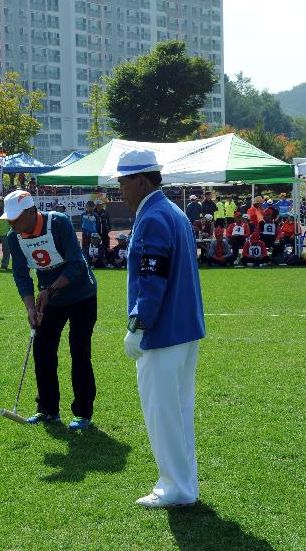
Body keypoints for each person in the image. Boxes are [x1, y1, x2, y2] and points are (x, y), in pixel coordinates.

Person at [115, 149, 205, 508]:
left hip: (162, 331)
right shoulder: (173, 211)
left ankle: (175, 488)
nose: (120, 189)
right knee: (179, 412)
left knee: (163, 414)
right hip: (183, 328)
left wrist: (138, 325)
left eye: (123, 181)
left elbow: (151, 279)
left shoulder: (152, 216)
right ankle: (183, 484)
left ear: (140, 180)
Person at [1, 189, 98, 431]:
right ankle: (47, 409)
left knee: (79, 352)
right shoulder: (15, 237)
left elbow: (76, 264)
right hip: (50, 300)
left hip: (81, 296)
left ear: (33, 211)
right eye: (9, 219)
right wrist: (31, 307)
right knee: (42, 352)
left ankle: (83, 412)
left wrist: (49, 291)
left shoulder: (58, 223)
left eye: (17, 218)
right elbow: (21, 275)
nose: (12, 224)